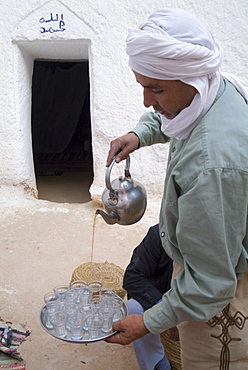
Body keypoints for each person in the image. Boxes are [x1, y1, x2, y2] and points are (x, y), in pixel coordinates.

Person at [105, 8, 248, 369]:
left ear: (193, 79)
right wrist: (139, 134)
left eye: (155, 88)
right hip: (212, 271)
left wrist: (148, 322)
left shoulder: (211, 164)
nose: (147, 100)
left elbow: (213, 282)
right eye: (143, 86)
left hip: (219, 295)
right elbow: (170, 115)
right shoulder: (217, 89)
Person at [124, 224, 174, 370]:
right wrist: (165, 309)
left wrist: (180, 310)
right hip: (160, 298)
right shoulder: (159, 234)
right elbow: (133, 276)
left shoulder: (209, 241)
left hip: (196, 302)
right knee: (133, 308)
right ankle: (160, 365)